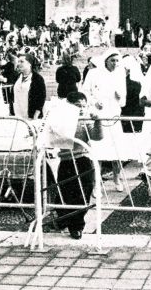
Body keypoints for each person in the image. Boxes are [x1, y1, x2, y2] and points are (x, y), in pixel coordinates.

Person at [83, 49, 127, 191]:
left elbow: (123, 102)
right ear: (106, 60)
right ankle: (96, 184)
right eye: (112, 60)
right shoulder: (93, 73)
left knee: (117, 151)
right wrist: (94, 102)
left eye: (117, 61)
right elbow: (84, 93)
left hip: (114, 116)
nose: (114, 63)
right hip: (98, 116)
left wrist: (120, 97)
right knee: (98, 151)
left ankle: (116, 178)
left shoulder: (120, 75)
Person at [56, 91, 96, 240]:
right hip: (66, 161)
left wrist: (97, 121)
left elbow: (97, 136)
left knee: (83, 193)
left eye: (83, 106)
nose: (80, 109)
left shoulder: (85, 120)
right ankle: (63, 218)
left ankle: (76, 226)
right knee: (65, 192)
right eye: (77, 105)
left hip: (83, 159)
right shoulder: (61, 120)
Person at [12, 53, 46, 120]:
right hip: (17, 116)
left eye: (22, 61)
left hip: (31, 117)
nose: (18, 64)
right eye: (18, 61)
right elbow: (12, 96)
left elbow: (41, 99)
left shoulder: (37, 79)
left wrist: (35, 116)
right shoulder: (17, 77)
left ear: (29, 64)